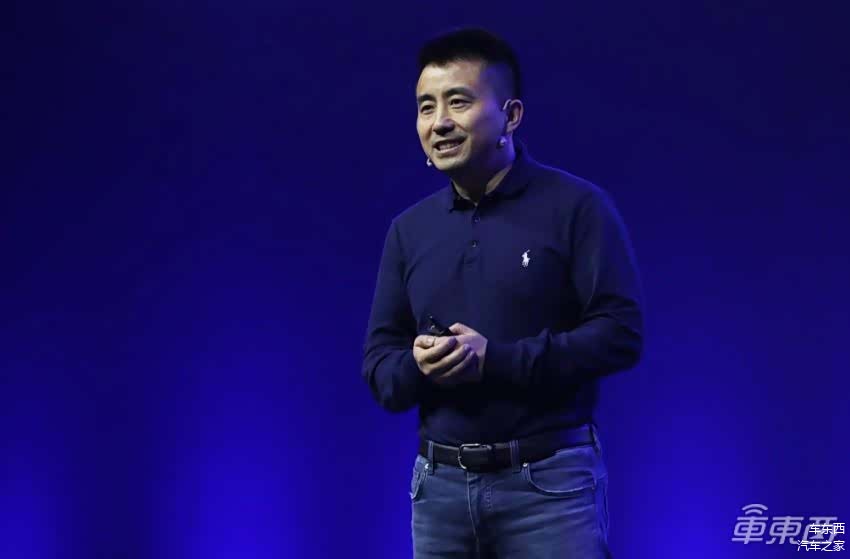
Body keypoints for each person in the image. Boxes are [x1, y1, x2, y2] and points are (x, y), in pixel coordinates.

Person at [361, 27, 643, 558]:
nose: (439, 122)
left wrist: (495, 360)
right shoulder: (409, 230)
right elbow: (380, 370)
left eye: (458, 102)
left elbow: (620, 335)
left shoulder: (577, 207)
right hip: (438, 492)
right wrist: (419, 365)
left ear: (511, 116)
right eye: (425, 107)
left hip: (549, 488)